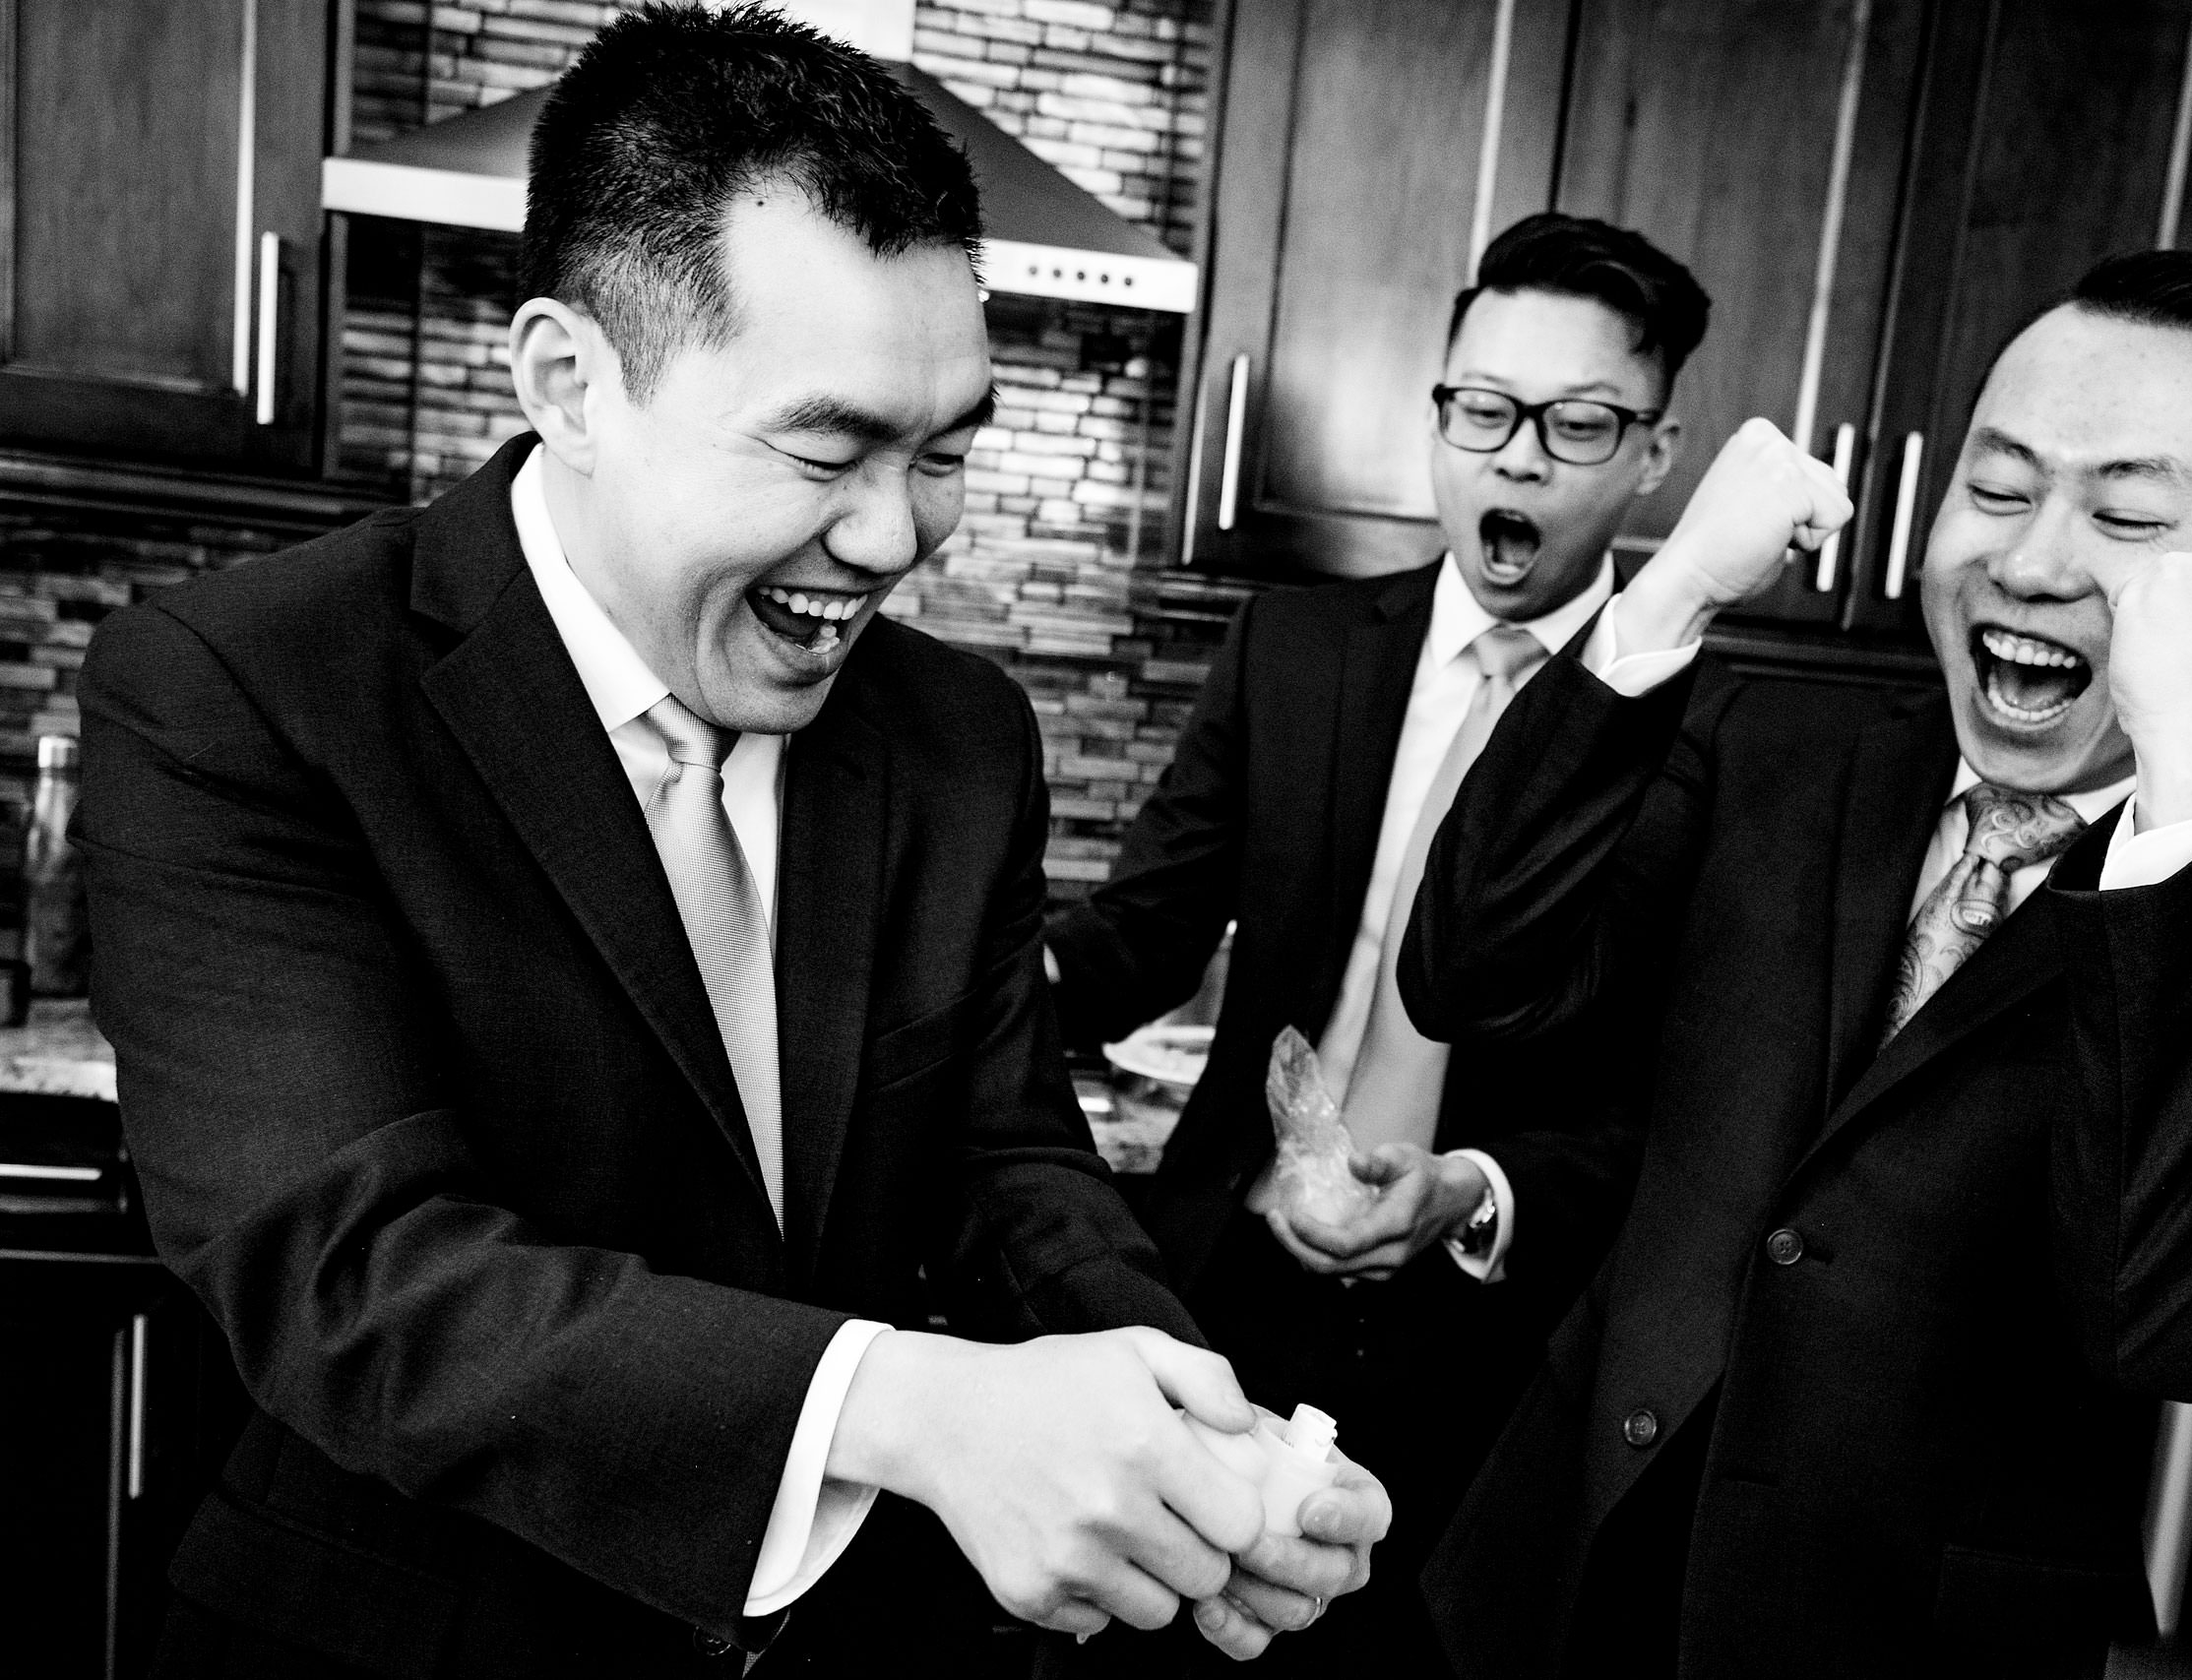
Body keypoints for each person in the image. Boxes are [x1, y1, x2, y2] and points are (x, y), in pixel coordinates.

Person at [74, 8, 1384, 1677]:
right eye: (828, 448)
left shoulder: (959, 739)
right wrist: (907, 1408)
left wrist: (1185, 1436)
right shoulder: (247, 691)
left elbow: (1011, 1161)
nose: (894, 536)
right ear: (570, 383)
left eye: (948, 453)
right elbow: (360, 1275)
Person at [1400, 249, 2192, 1677]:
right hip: (1546, 1587)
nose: (2031, 560)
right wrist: (1664, 604)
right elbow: (1472, 974)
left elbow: (2176, 1318)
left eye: (2126, 511)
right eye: (1999, 483)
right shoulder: (1766, 751)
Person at [1044, 213, 1706, 1672]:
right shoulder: (1295, 647)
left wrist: (1474, 1187)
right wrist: (978, 970)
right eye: (1483, 409)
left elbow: (1671, 1104)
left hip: (1491, 1342)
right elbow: (1139, 934)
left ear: (1655, 452)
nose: (1515, 456)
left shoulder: (1712, 739)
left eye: (1578, 422)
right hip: (1226, 1286)